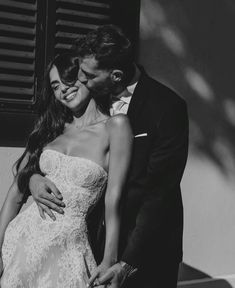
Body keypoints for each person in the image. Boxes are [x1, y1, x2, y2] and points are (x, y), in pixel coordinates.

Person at [29, 25, 189, 288]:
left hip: (145, 251)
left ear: (115, 76)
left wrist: (125, 264)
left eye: (88, 75)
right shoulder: (85, 99)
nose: (79, 79)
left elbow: (159, 193)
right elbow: (53, 149)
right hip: (91, 247)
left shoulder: (167, 108)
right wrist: (35, 178)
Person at [0, 52, 133, 287]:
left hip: (66, 249)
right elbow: (15, 193)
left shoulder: (116, 126)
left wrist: (109, 259)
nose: (63, 89)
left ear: (84, 78)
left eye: (67, 79)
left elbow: (115, 197)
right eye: (55, 86)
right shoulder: (50, 130)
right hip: (21, 244)